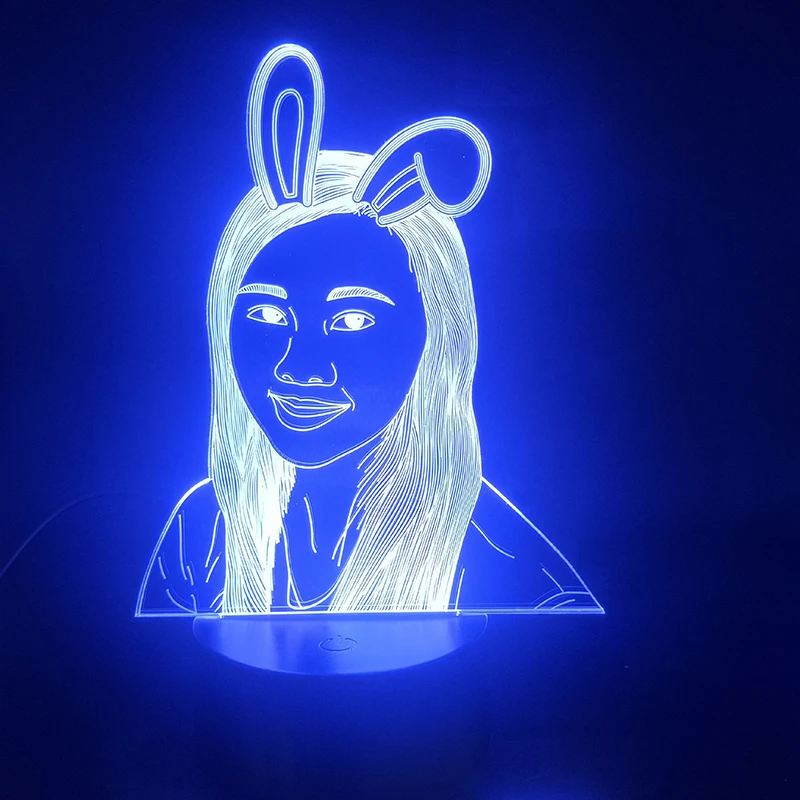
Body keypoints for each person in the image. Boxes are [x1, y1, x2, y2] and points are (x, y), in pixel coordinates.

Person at [136, 44, 603, 617]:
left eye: (352, 320)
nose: (299, 367)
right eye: (268, 315)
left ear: (437, 334)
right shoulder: (203, 530)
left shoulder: (516, 583)